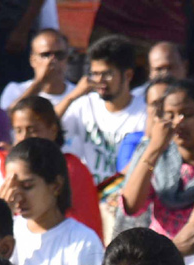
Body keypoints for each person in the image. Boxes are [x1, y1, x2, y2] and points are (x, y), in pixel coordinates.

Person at [0, 137, 105, 265]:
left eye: (27, 186)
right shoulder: (7, 232)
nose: (17, 196)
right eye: (11, 187)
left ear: (55, 185)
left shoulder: (83, 242)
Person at [0, 96, 102, 241]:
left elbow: (86, 221)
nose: (25, 137)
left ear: (53, 130)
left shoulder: (71, 168)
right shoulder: (2, 166)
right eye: (18, 131)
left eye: (32, 130)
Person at [121, 79, 194, 239]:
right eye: (171, 115)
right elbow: (132, 206)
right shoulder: (157, 154)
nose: (179, 122)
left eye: (187, 114)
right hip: (161, 252)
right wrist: (154, 149)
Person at [58, 36, 147, 185]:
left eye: (107, 74)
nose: (99, 80)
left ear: (128, 75)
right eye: (95, 73)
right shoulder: (84, 104)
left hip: (124, 196)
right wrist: (70, 97)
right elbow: (45, 128)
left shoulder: (144, 112)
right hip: (89, 195)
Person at [0, 29, 76, 113]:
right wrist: (40, 82)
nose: (53, 61)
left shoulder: (79, 94)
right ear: (32, 60)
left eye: (59, 55)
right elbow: (6, 120)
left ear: (67, 58)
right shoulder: (15, 90)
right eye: (45, 55)